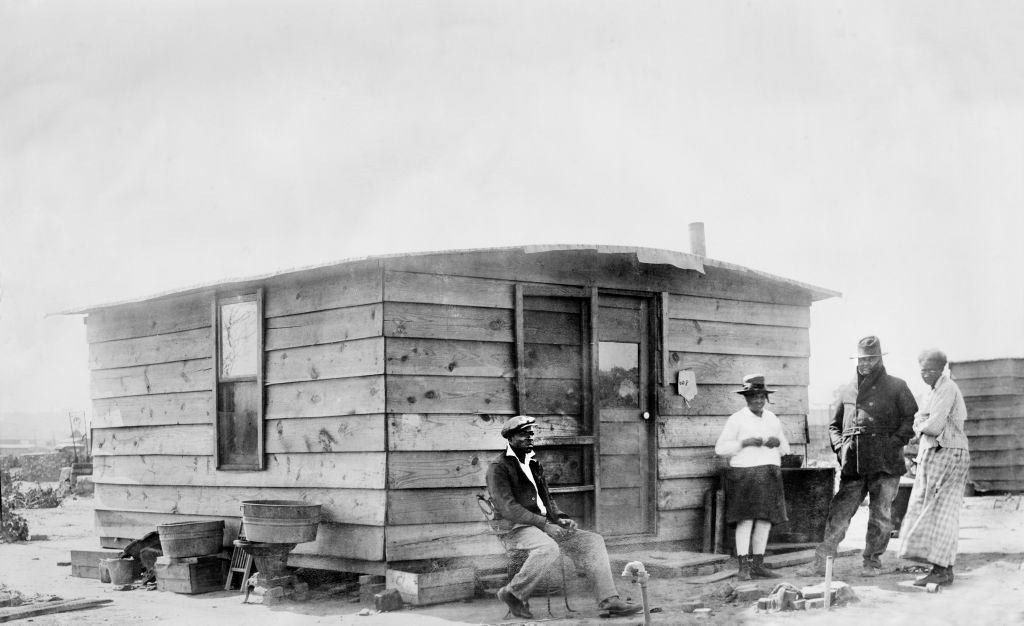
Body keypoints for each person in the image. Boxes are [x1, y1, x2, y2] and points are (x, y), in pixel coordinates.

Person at [486, 415, 643, 619]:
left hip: (544, 525)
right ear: (511, 438)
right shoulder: (499, 468)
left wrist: (559, 517)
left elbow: (547, 500)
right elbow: (509, 509)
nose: (530, 437)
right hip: (515, 529)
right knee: (548, 548)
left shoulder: (533, 463)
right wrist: (545, 525)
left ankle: (609, 600)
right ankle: (513, 593)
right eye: (524, 434)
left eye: (531, 433)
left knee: (592, 541)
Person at [798, 336, 918, 577]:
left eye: (871, 359)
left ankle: (872, 562)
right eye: (861, 359)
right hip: (854, 462)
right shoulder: (846, 389)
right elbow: (833, 426)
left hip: (885, 463)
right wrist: (841, 450)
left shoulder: (897, 386)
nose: (865, 364)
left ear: (880, 359)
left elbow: (909, 419)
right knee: (839, 512)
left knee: (880, 515)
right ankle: (821, 563)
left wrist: (893, 444)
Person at [897, 349, 970, 586]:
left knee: (940, 511)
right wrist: (921, 423)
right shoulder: (933, 391)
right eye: (922, 370)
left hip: (947, 452)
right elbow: (920, 418)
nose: (926, 374)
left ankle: (940, 570)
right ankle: (943, 569)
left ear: (942, 369)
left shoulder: (947, 388)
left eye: (931, 370)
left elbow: (934, 425)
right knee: (935, 510)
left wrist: (920, 426)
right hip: (936, 452)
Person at [714, 374, 790, 580]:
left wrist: (777, 442)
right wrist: (743, 443)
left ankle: (758, 564)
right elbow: (720, 449)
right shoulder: (737, 419)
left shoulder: (772, 418)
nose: (758, 400)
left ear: (766, 398)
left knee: (765, 521)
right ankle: (743, 567)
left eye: (761, 396)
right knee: (745, 521)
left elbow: (785, 447)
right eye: (753, 396)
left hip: (768, 474)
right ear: (746, 398)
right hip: (745, 474)